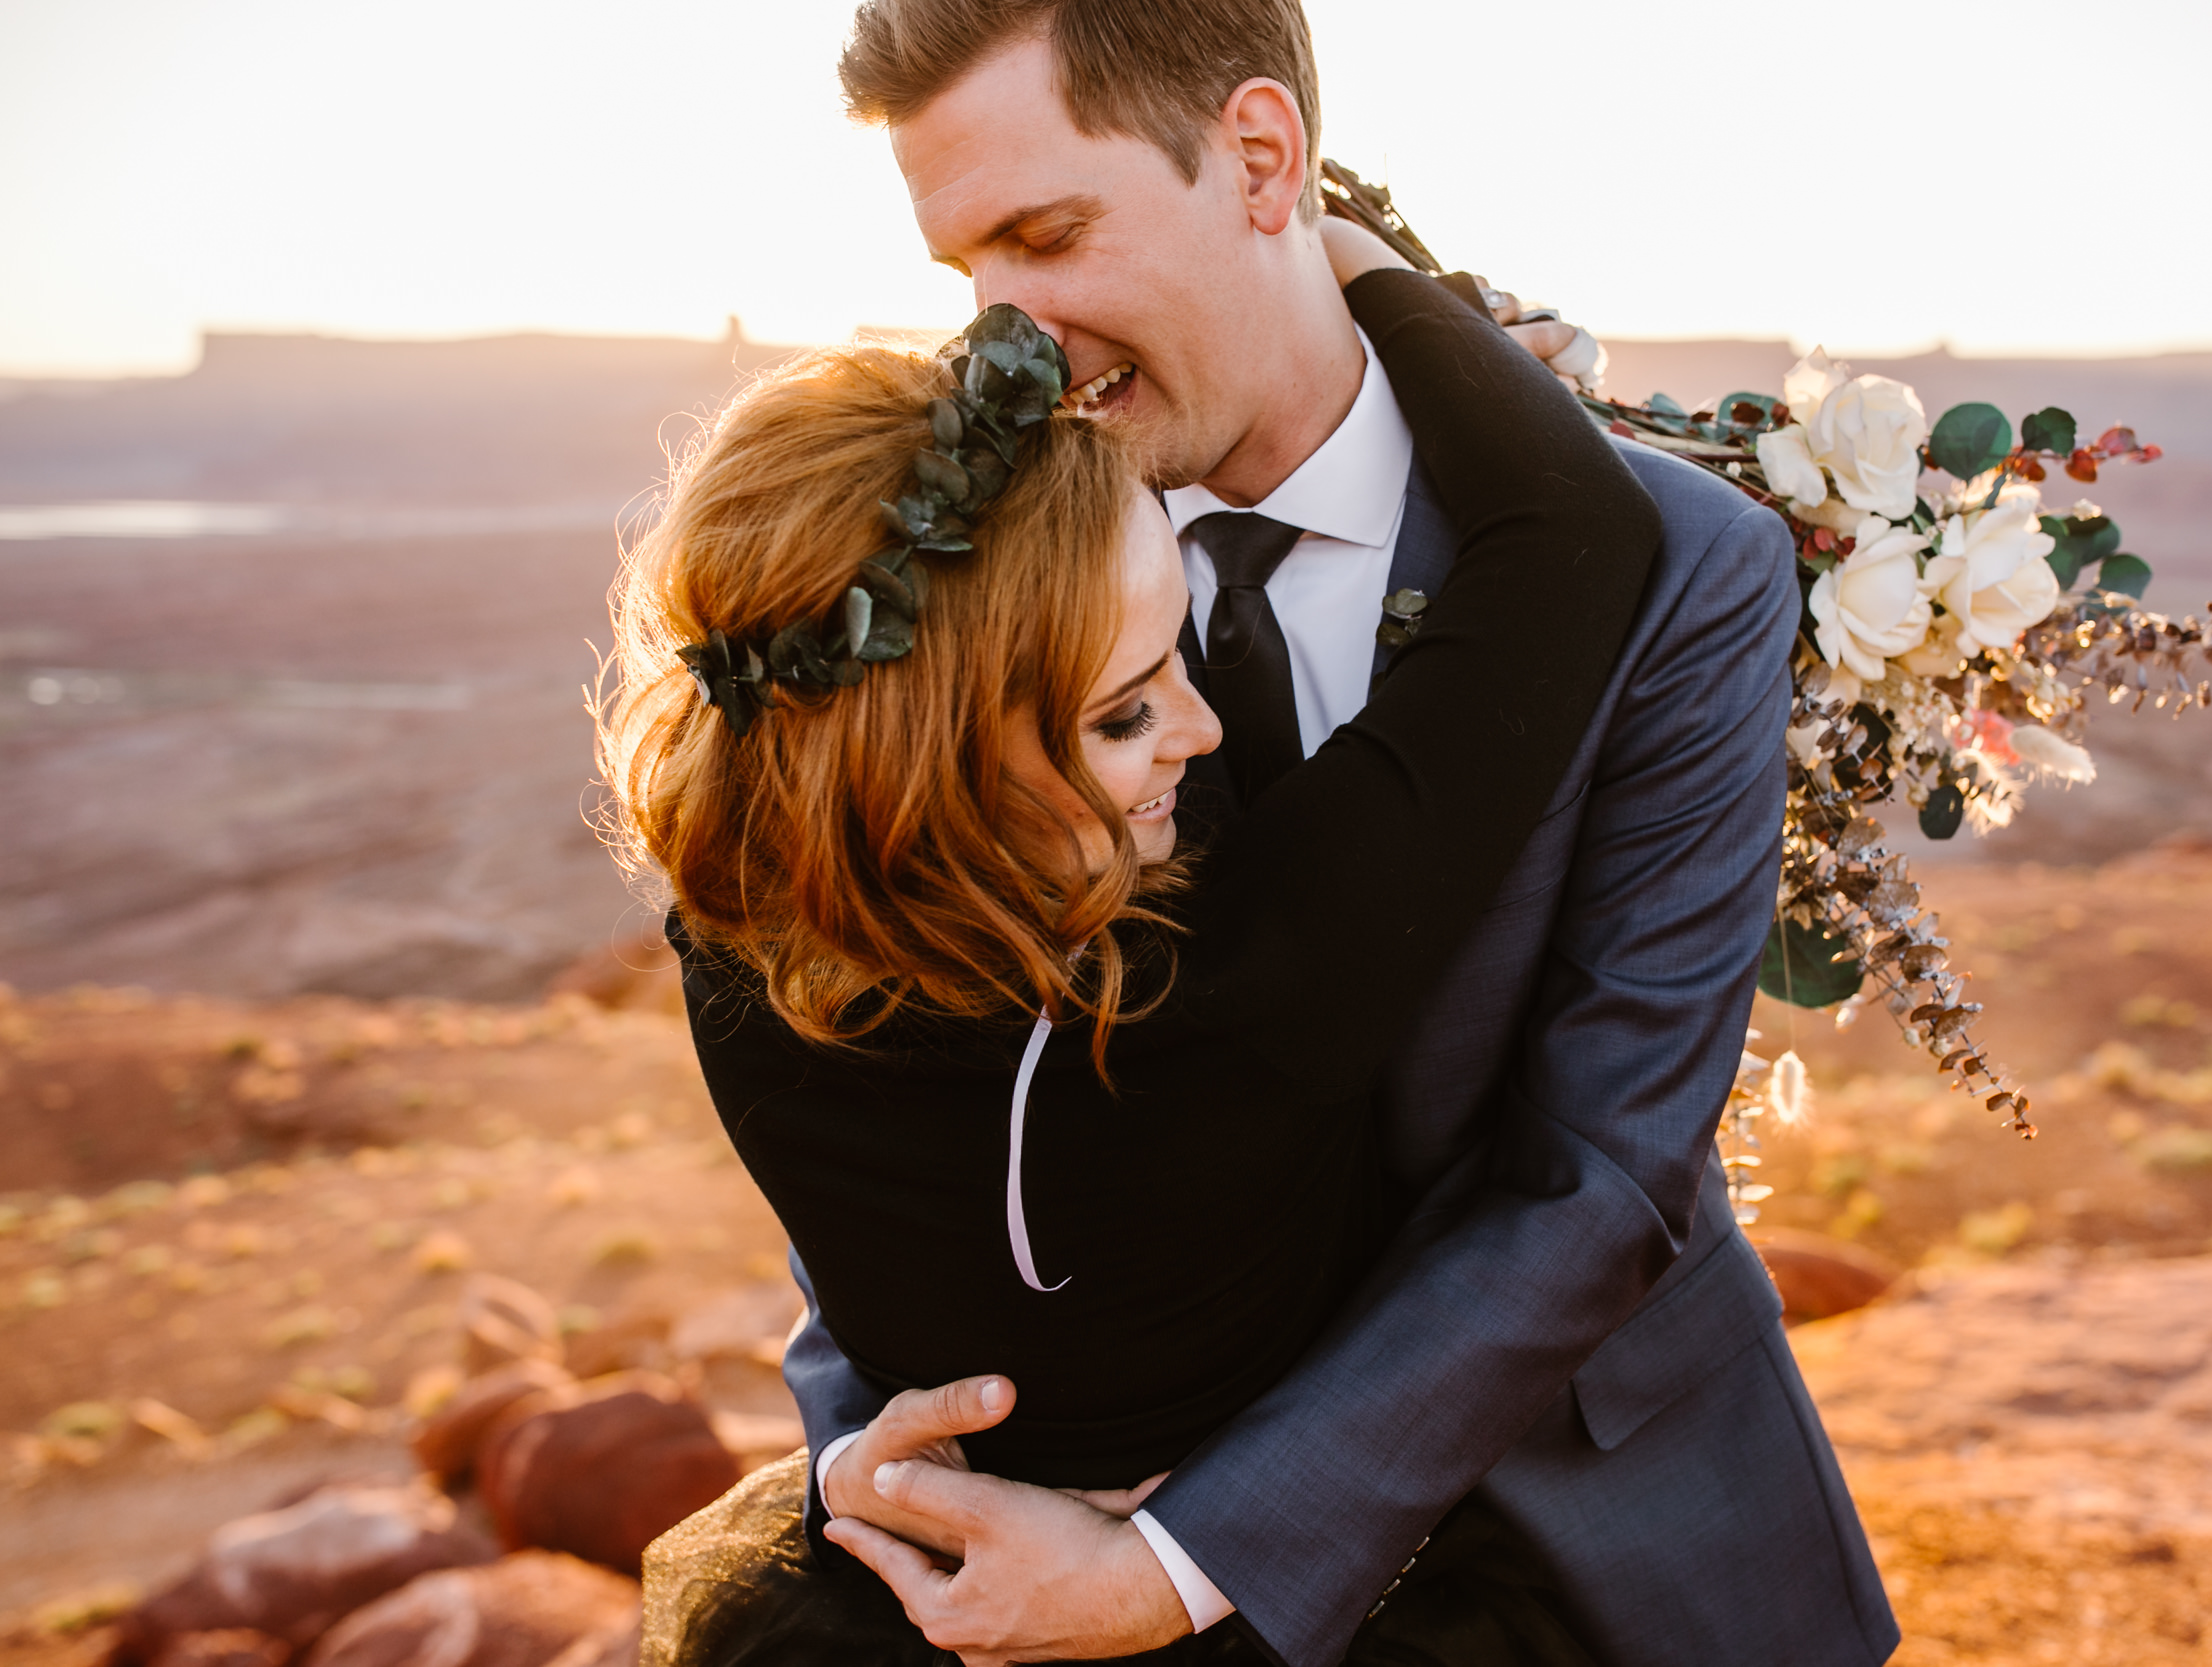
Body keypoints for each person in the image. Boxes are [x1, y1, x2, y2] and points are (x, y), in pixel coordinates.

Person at [733, 4, 1898, 1666]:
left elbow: (1607, 1163)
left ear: (1263, 160)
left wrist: (1188, 1561)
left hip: (1589, 1527)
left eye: (1047, 236)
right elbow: (876, 1034)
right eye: (965, 272)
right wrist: (872, 1441)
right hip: (1074, 1506)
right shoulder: (970, 566)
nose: (1007, 338)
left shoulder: (1678, 566)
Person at [609, 240, 1665, 1664]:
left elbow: (928, 582)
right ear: (945, 767)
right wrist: (1336, 250)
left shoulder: (732, 936)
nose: (1204, 727)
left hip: (905, 1596)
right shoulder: (1241, 985)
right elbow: (1571, 531)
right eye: (1124, 713)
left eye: (1184, 647)